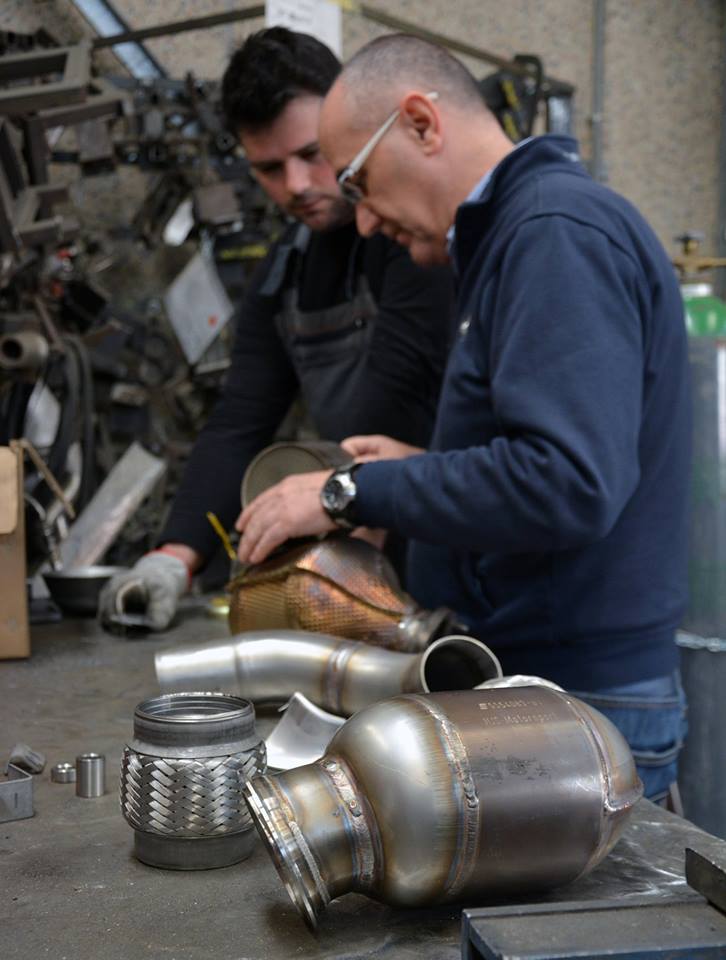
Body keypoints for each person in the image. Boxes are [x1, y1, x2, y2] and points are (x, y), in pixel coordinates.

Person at [236, 34, 691, 801]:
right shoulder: (518, 238)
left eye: (359, 181)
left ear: (421, 123)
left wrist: (351, 492)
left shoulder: (555, 234)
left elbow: (569, 484)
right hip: (547, 687)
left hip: (578, 699)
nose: (364, 222)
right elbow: (549, 459)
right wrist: (420, 467)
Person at [99, 28, 454, 632]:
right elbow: (241, 418)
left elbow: (398, 393)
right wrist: (173, 556)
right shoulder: (284, 272)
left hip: (439, 538)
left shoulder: (412, 240)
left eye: (312, 154)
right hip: (357, 528)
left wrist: (350, 514)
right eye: (269, 167)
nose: (297, 185)